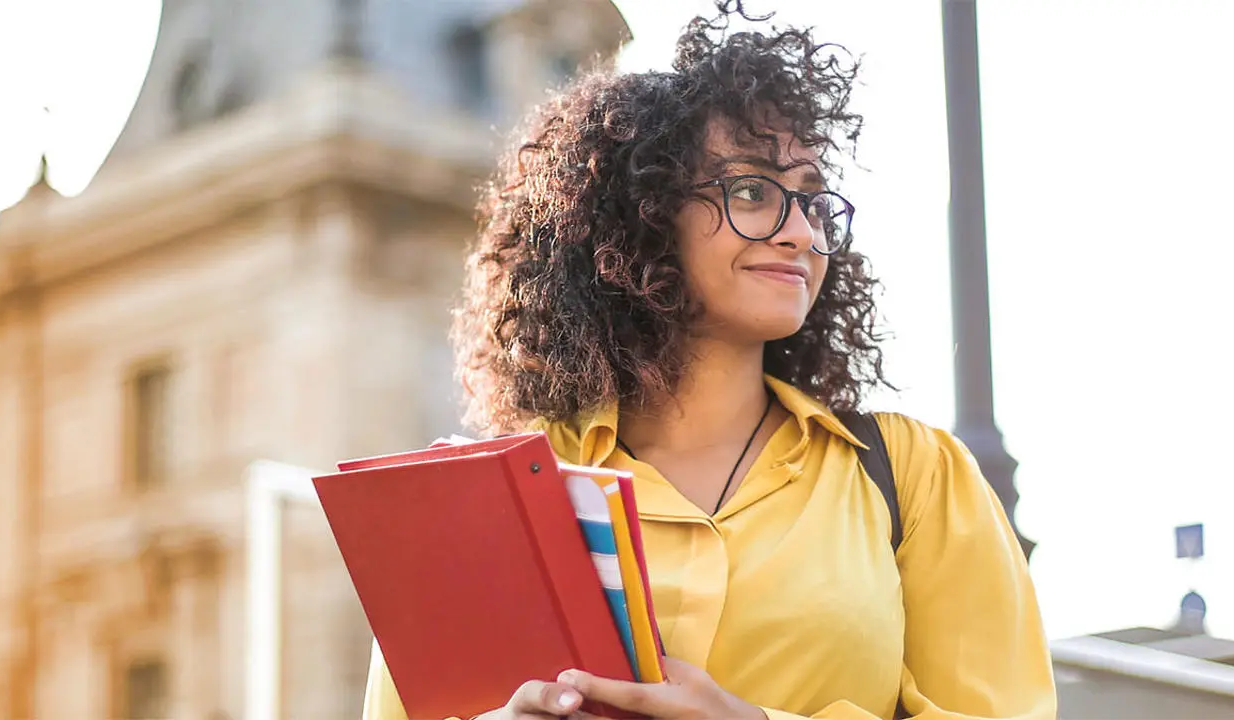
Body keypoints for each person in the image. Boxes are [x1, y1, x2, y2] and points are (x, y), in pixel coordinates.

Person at [362, 2, 1055, 718]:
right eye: (753, 191)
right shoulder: (494, 499)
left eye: (814, 203)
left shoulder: (911, 476)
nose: (798, 232)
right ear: (644, 215)